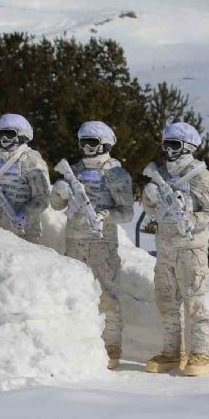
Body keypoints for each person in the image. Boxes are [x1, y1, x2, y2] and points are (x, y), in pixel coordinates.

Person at [50, 121, 134, 369]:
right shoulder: (72, 170)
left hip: (102, 243)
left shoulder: (116, 174)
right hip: (75, 240)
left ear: (105, 144)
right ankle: (78, 343)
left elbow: (127, 212)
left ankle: (111, 346)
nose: (86, 147)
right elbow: (56, 206)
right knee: (75, 292)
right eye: (82, 142)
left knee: (108, 294)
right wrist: (59, 191)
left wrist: (106, 215)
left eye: (92, 143)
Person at [141, 122, 209, 377]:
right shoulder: (160, 173)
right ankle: (172, 352)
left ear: (188, 146)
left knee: (194, 302)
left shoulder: (200, 176)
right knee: (166, 302)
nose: (168, 150)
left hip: (190, 249)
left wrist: (192, 220)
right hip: (164, 250)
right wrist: (150, 200)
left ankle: (200, 353)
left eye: (174, 145)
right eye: (166, 144)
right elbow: (151, 212)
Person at [0, 114, 51, 244]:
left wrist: (25, 214)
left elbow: (42, 198)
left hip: (24, 231)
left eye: (8, 134)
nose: (4, 138)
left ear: (22, 135)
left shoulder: (32, 162)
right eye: (0, 134)